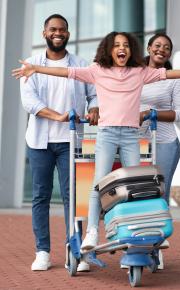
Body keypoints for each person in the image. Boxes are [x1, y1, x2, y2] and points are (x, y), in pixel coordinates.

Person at [12, 31, 180, 253]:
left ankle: (139, 228)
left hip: (131, 136)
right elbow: (66, 72)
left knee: (136, 185)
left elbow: (168, 75)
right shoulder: (97, 71)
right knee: (99, 183)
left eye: (126, 45)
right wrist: (36, 68)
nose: (122, 48)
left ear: (132, 50)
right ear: (109, 50)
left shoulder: (140, 72)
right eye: (117, 45)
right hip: (107, 134)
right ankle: (92, 230)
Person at [18, 14, 99, 272]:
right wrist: (57, 116)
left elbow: (94, 93)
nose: (58, 33)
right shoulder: (31, 64)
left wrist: (95, 108)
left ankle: (73, 250)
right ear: (44, 33)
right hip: (40, 141)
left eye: (62, 29)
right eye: (53, 29)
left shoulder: (80, 64)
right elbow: (29, 102)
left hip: (71, 141)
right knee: (40, 196)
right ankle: (42, 251)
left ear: (68, 34)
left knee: (73, 198)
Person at [140, 33, 180, 206]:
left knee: (159, 195)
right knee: (136, 193)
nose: (162, 50)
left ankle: (158, 233)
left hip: (165, 143)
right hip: (135, 142)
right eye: (158, 45)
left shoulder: (172, 79)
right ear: (149, 48)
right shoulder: (133, 74)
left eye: (167, 48)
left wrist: (151, 113)